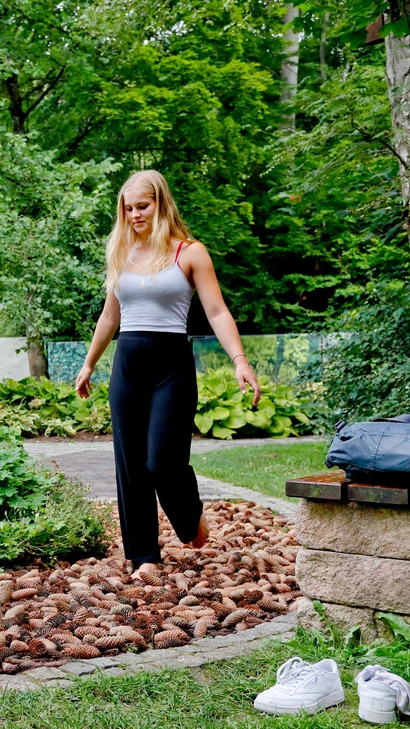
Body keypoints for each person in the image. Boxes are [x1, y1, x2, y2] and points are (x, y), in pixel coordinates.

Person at [75, 170, 261, 580]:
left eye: (143, 206)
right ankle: (143, 556)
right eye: (128, 207)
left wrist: (239, 360)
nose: (135, 214)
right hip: (128, 363)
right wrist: (89, 363)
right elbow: (110, 315)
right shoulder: (122, 253)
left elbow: (216, 311)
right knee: (130, 462)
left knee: (162, 460)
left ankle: (189, 514)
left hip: (171, 364)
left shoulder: (190, 252)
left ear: (161, 203)